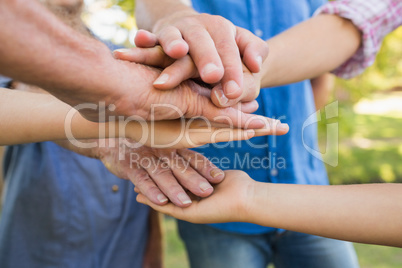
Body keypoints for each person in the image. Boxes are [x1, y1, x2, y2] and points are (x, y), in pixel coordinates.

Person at [136, 0, 402, 248]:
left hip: (306, 185)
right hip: (216, 190)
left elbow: (341, 31)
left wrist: (301, 136)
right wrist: (176, 18)